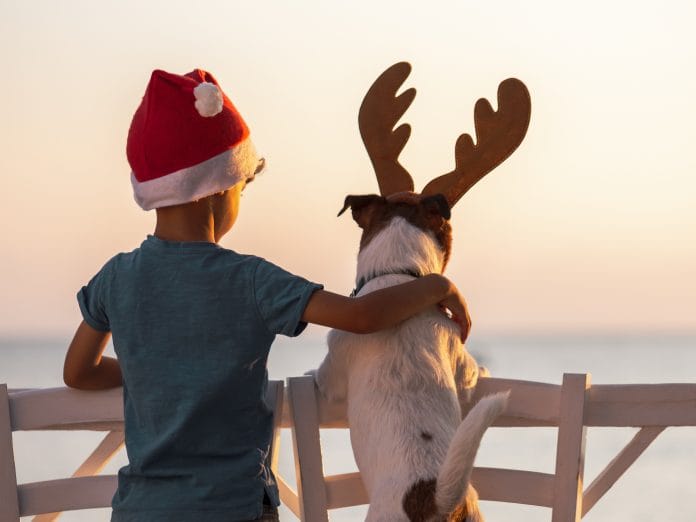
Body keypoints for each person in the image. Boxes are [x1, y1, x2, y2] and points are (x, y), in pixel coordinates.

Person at [63, 68, 472, 522]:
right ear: (215, 190)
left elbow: (79, 372)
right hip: (235, 509)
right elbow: (362, 317)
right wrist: (438, 285)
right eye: (243, 184)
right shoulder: (251, 280)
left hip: (141, 511)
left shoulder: (116, 277)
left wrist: (157, 371)